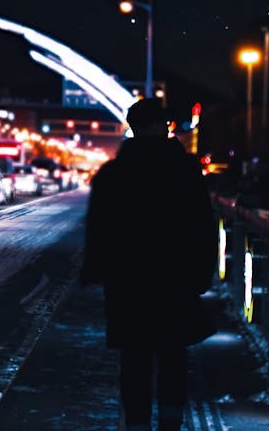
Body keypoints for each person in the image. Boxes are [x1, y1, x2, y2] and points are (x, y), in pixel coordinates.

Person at [80, 97, 217, 431]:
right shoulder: (185, 171)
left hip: (128, 281)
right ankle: (170, 423)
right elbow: (202, 225)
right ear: (164, 126)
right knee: (173, 356)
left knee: (134, 358)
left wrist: (95, 270)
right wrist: (202, 274)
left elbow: (99, 227)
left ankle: (137, 423)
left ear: (132, 127)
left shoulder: (114, 173)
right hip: (175, 280)